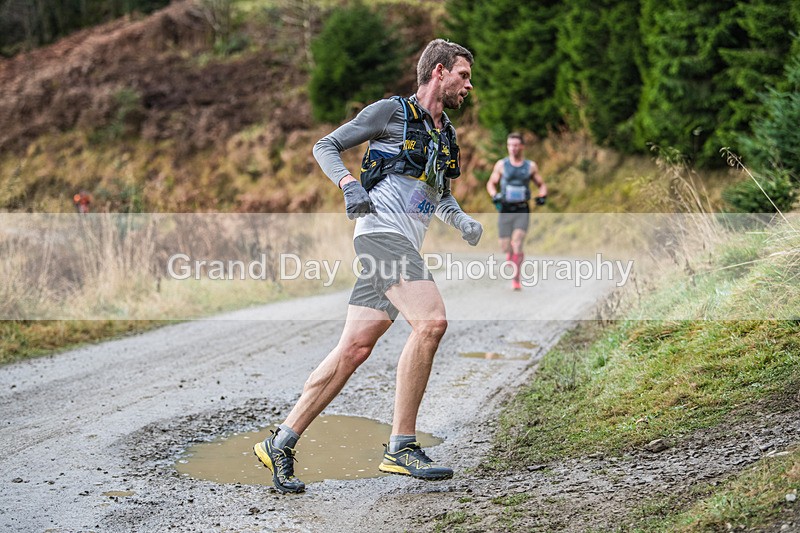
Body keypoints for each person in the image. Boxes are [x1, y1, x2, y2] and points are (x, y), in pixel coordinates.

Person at [253, 39, 482, 493]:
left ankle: (280, 441)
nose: (468, 85)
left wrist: (461, 220)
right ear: (439, 72)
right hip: (380, 237)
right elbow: (326, 145)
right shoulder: (390, 112)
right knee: (431, 323)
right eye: (463, 75)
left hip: (402, 242)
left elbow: (438, 193)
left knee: (355, 348)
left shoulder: (446, 134)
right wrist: (347, 184)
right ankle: (401, 446)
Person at [486, 132, 547, 290]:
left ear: (522, 146)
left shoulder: (530, 166)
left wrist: (542, 195)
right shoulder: (501, 165)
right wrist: (494, 195)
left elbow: (541, 184)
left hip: (522, 209)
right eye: (510, 145)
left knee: (518, 242)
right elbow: (491, 183)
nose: (512, 148)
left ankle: (516, 278)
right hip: (505, 208)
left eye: (515, 145)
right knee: (505, 246)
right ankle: (510, 254)